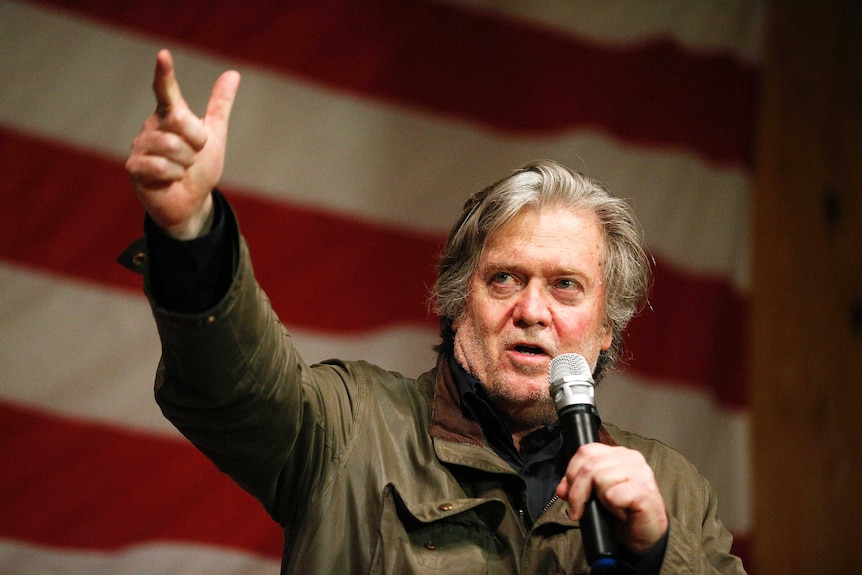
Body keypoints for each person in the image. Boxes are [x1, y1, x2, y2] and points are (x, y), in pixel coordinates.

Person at [122, 49, 746, 574]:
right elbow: (233, 387)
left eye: (565, 286)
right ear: (456, 303)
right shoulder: (350, 427)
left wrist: (656, 551)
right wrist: (191, 233)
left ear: (608, 326)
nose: (532, 309)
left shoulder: (675, 491)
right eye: (504, 279)